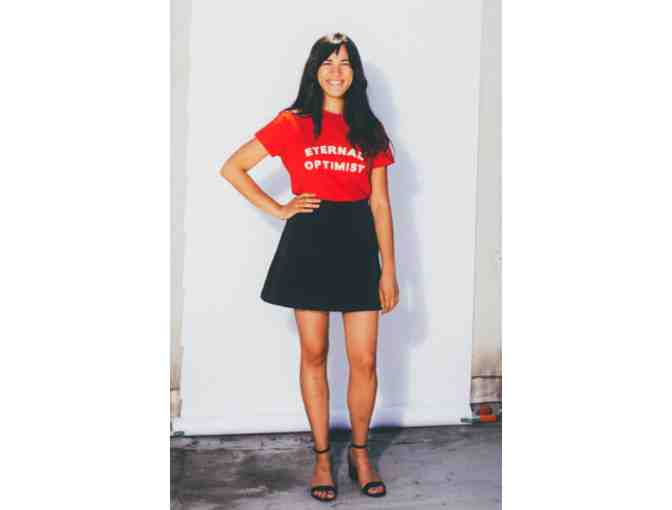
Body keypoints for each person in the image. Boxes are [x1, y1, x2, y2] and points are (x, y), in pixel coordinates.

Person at [219, 32, 399, 502]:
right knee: (314, 353)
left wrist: (389, 270)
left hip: (358, 244)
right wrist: (279, 208)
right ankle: (322, 458)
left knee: (365, 359)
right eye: (327, 62)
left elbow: (380, 204)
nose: (336, 71)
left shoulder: (369, 128)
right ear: (314, 70)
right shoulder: (294, 122)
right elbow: (233, 167)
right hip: (310, 242)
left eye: (345, 62)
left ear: (356, 73)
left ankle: (360, 453)